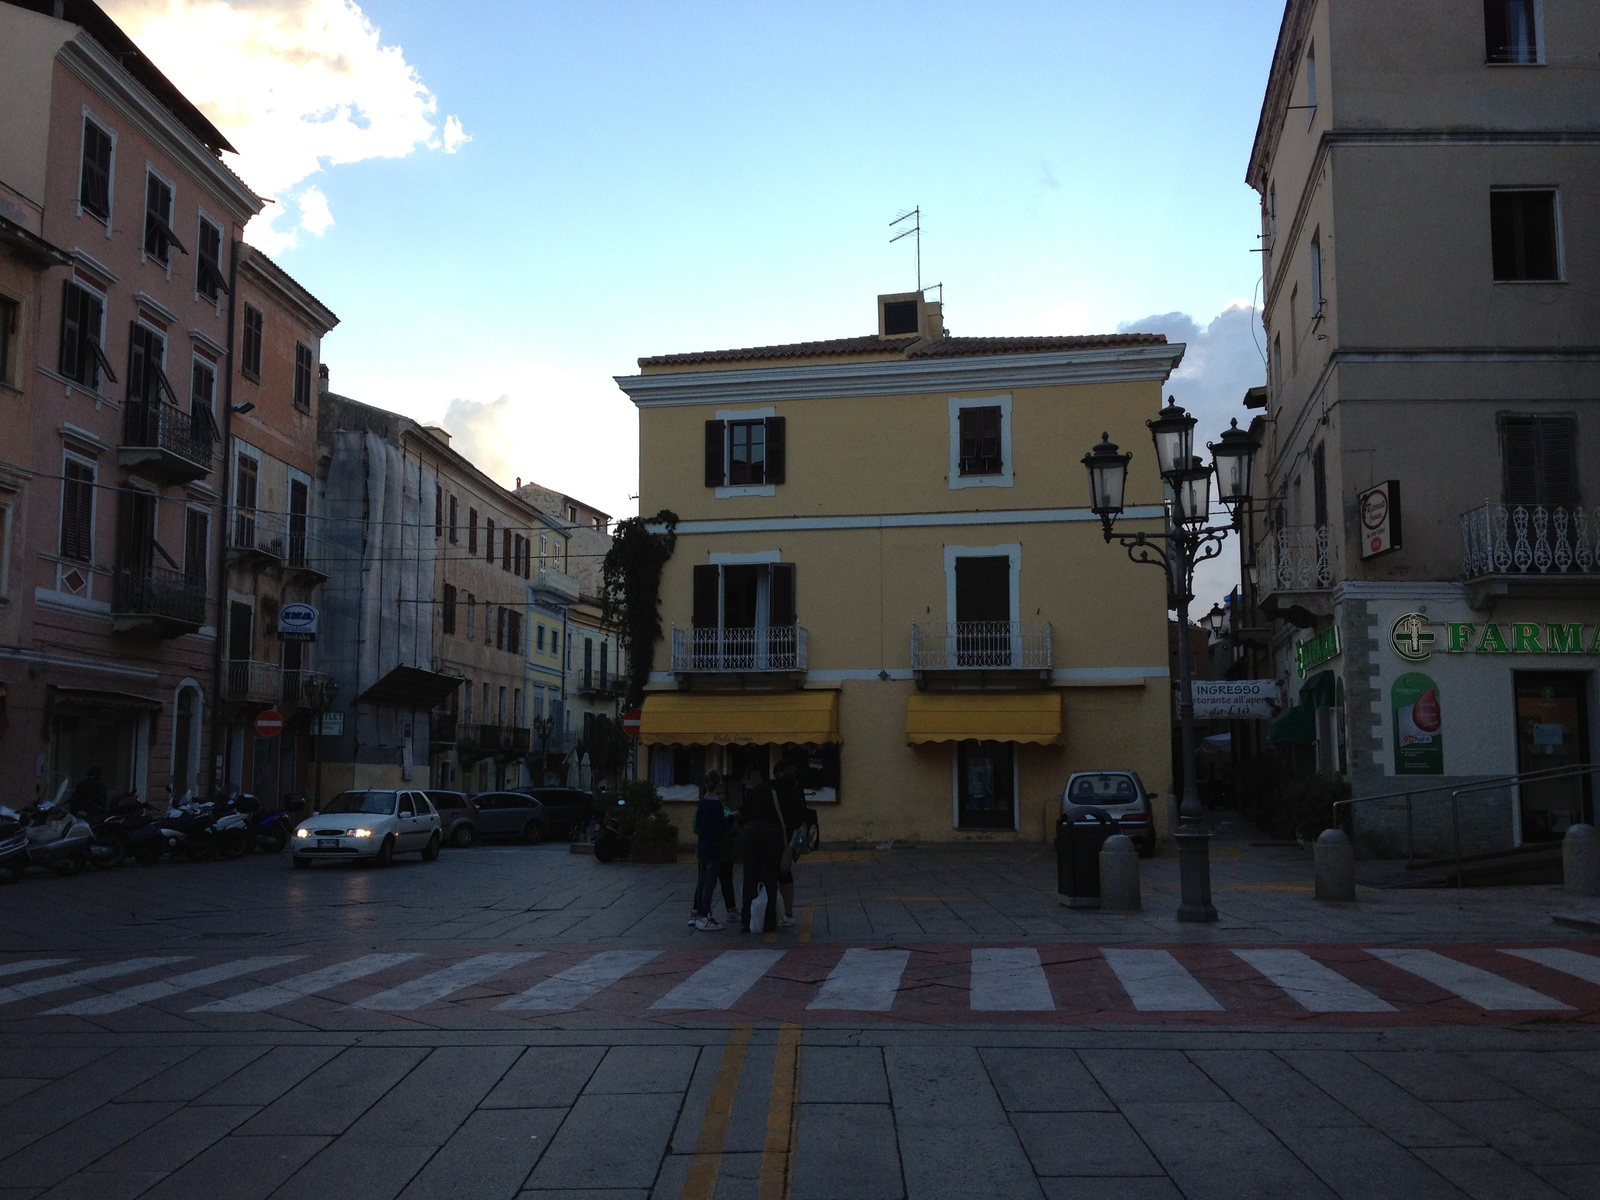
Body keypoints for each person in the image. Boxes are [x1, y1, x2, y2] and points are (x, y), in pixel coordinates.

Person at [738, 764, 783, 934]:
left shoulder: (760, 789)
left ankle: (747, 920)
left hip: (750, 831)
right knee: (769, 877)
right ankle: (768, 921)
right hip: (772, 833)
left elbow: (742, 811)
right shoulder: (786, 792)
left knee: (750, 877)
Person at [691, 770, 728, 931]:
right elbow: (721, 826)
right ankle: (705, 915)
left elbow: (698, 825)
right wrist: (732, 818)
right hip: (714, 846)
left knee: (701, 881)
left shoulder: (702, 802)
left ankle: (699, 913)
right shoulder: (716, 804)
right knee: (709, 883)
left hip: (703, 845)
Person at [772, 758, 807, 929]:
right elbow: (799, 819)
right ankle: (788, 913)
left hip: (773, 837)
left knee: (771, 876)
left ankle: (772, 913)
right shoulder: (795, 793)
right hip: (788, 839)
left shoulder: (771, 790)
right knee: (785, 874)